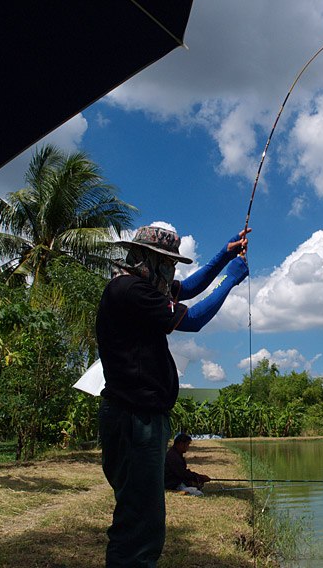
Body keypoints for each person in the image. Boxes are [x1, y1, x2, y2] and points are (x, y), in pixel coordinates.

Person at [96, 224, 249, 568]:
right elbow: (192, 319)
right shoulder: (130, 290)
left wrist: (225, 255)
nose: (173, 272)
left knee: (140, 516)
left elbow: (190, 289)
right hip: (135, 419)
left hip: (139, 419)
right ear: (150, 260)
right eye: (168, 264)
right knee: (140, 522)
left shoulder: (139, 285)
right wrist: (231, 279)